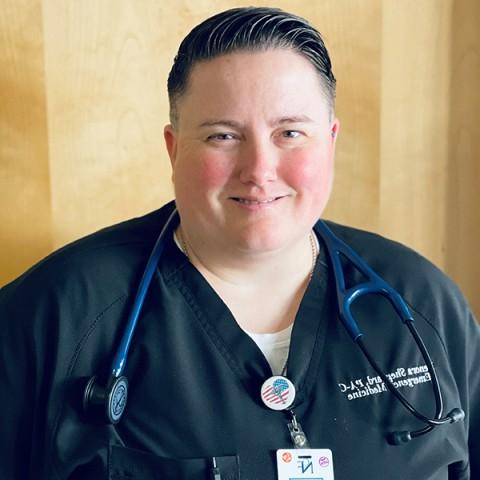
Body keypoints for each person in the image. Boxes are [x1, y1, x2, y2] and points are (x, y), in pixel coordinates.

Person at [0, 6, 478, 480]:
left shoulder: (424, 303)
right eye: (223, 135)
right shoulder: (53, 314)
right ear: (174, 148)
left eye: (290, 132)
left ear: (330, 142)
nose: (259, 170)